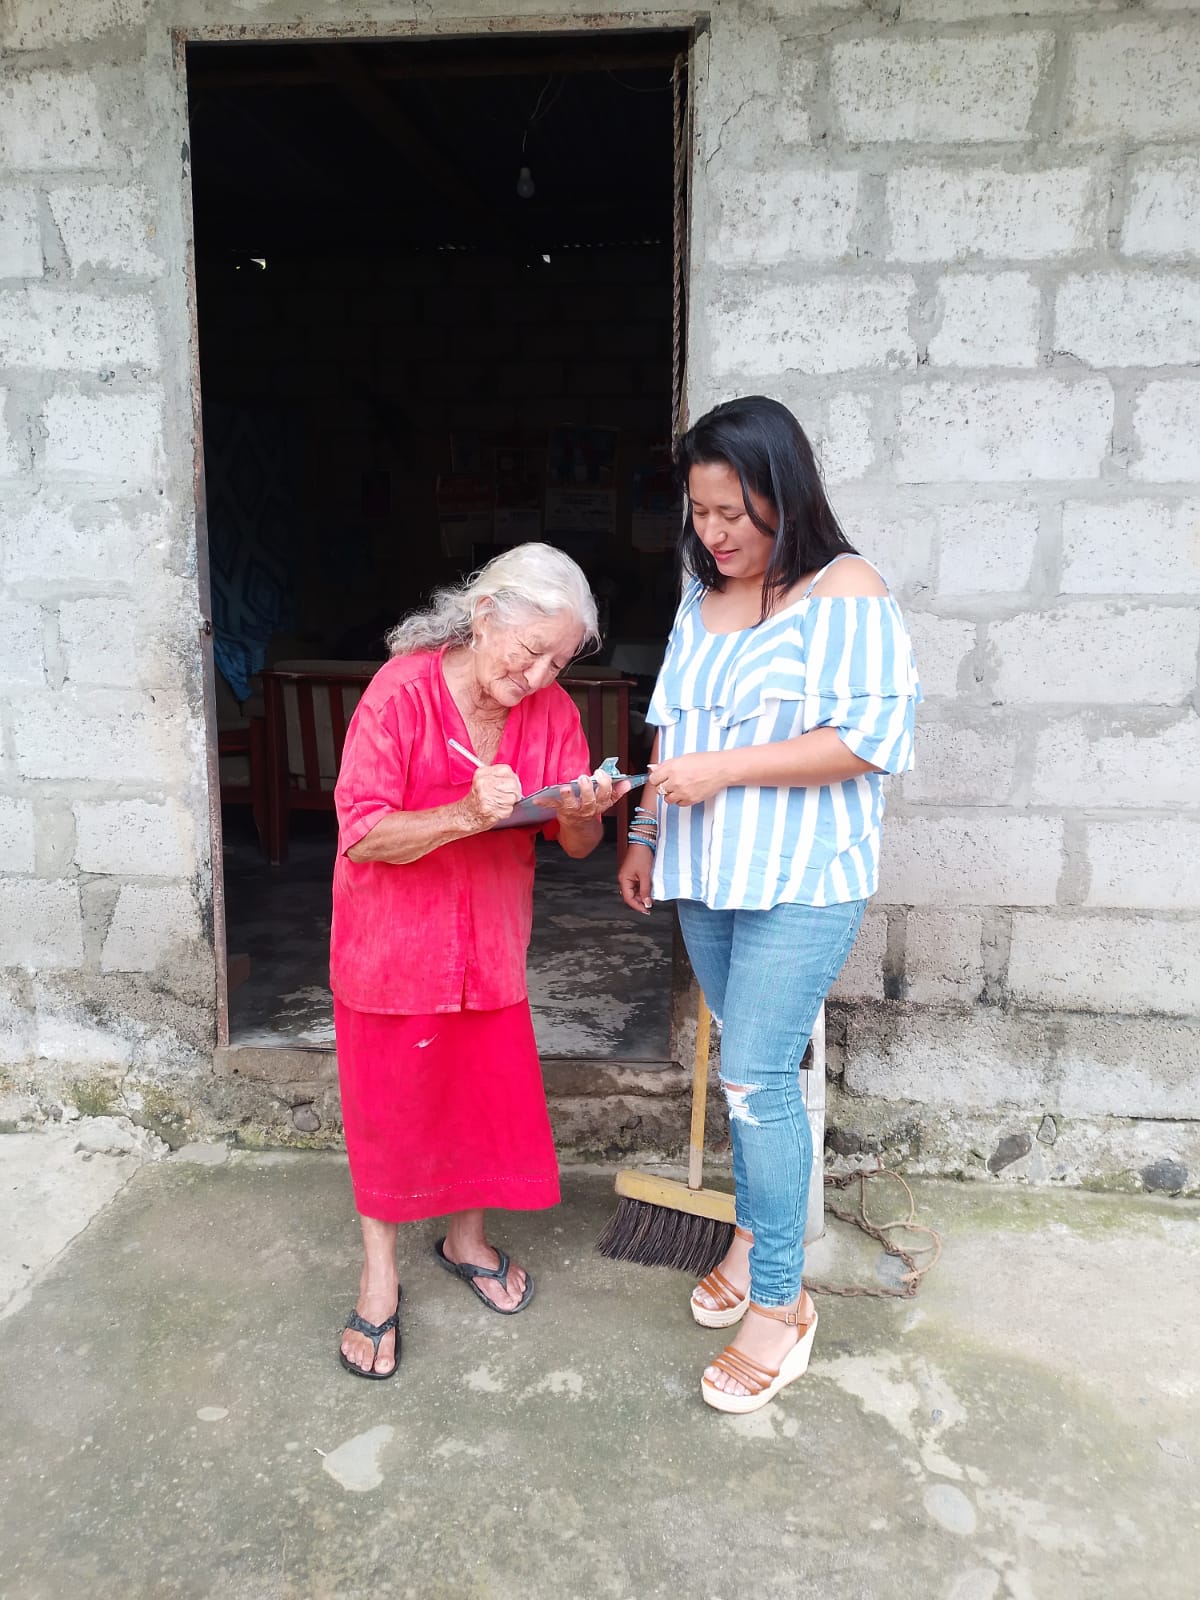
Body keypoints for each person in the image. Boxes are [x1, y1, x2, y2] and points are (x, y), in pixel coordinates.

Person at [618, 396, 921, 1415]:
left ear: (785, 495)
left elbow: (869, 739)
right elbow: (671, 725)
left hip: (804, 878)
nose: (715, 533)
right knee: (744, 1073)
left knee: (755, 1077)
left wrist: (728, 768)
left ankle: (782, 1306)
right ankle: (752, 1238)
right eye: (701, 512)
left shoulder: (846, 590)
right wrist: (647, 833)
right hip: (707, 876)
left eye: (734, 512)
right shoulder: (699, 598)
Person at [332, 543, 626, 1379]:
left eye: (557, 662)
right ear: (485, 614)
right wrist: (464, 813)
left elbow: (575, 844)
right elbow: (363, 832)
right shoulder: (400, 694)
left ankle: (466, 1240)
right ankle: (379, 1276)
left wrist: (584, 809)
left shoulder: (552, 712)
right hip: (392, 946)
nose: (536, 677)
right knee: (389, 1110)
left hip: (490, 942)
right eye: (528, 652)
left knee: (474, 1102)